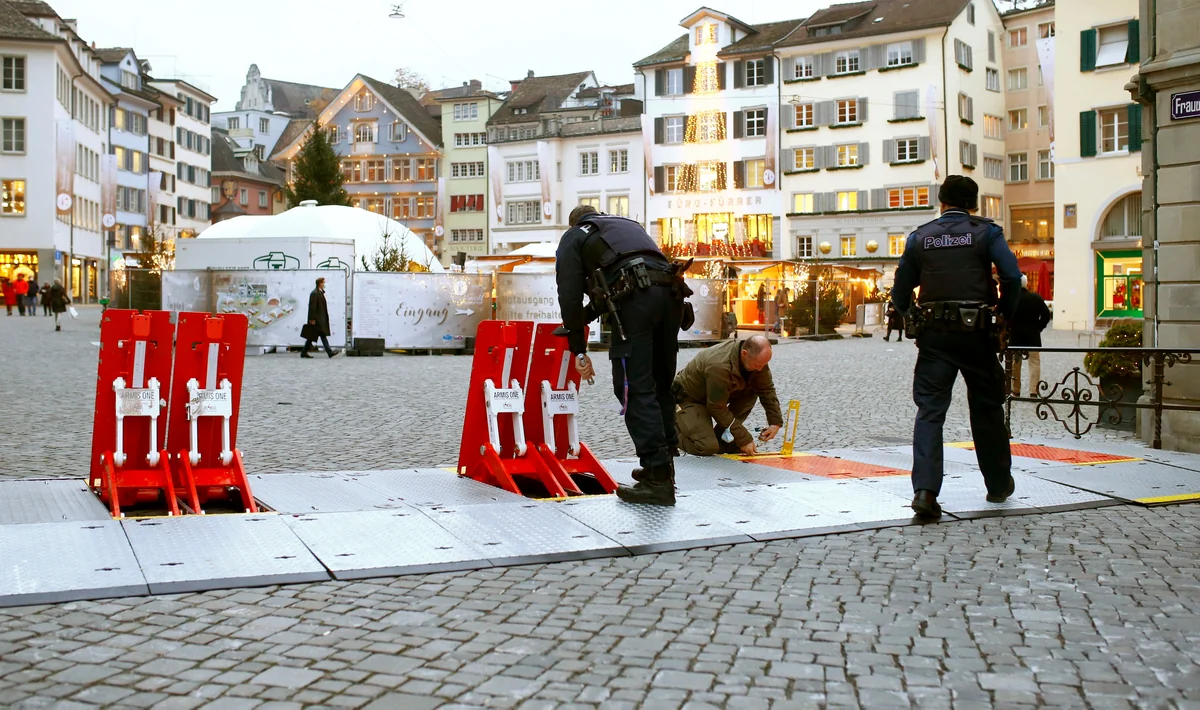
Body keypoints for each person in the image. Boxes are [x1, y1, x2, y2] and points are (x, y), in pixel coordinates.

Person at [890, 175, 1022, 519]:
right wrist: (1003, 313)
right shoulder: (986, 232)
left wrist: (910, 315)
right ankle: (996, 484)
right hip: (978, 335)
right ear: (974, 204)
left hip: (934, 337)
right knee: (987, 408)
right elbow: (1010, 275)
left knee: (931, 412)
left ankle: (925, 492)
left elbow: (900, 292)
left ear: (941, 201)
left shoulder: (920, 237)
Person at [556, 204, 686, 506]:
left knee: (634, 387)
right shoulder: (627, 226)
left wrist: (577, 345)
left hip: (638, 301)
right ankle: (664, 467)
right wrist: (587, 317)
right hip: (672, 296)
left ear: (574, 222)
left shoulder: (574, 236)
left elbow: (570, 294)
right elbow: (609, 288)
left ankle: (657, 480)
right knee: (660, 386)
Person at [672, 335, 784, 457]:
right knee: (706, 447)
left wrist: (775, 422)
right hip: (690, 399)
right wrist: (743, 438)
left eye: (764, 364)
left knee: (752, 391)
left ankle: (722, 437)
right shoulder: (719, 366)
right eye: (758, 365)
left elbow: (766, 389)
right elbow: (716, 407)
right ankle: (667, 432)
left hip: (714, 397)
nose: (761, 369)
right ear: (744, 353)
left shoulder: (756, 360)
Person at [1009, 273, 1052, 396]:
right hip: (1032, 336)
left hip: (1016, 336)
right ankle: (1033, 390)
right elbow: (1046, 316)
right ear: (1026, 284)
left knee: (1015, 363)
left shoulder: (1012, 299)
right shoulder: (1036, 298)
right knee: (1034, 363)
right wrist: (1039, 327)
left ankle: (1015, 390)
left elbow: (1006, 316)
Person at [302, 277, 338, 358]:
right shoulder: (315, 293)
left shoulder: (319, 292)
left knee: (315, 336)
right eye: (323, 283)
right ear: (320, 283)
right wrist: (312, 319)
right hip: (317, 319)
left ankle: (304, 352)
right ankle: (329, 352)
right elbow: (312, 307)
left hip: (320, 318)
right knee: (318, 335)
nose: (324, 284)